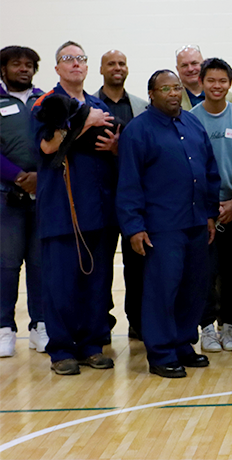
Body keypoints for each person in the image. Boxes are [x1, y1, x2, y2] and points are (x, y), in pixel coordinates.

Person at [117, 69, 220, 378]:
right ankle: (161, 352)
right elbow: (129, 182)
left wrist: (210, 213)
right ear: (152, 94)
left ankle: (183, 344)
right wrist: (134, 226)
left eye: (177, 88)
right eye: (166, 89)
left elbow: (210, 170)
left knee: (193, 288)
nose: (174, 93)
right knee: (163, 290)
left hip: (196, 222)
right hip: (161, 227)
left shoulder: (192, 122)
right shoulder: (138, 131)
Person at [32, 41, 118, 376]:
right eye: (68, 59)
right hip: (61, 212)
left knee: (96, 284)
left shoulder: (98, 104)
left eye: (81, 59)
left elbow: (112, 147)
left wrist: (114, 146)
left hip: (97, 210)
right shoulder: (46, 104)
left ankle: (91, 346)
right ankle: (62, 350)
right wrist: (85, 120)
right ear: (57, 68)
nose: (76, 64)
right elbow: (48, 146)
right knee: (61, 286)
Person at [191, 59, 232, 354]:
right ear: (201, 83)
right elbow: (190, 168)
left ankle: (229, 323)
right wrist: (210, 208)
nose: (217, 86)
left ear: (230, 83)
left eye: (222, 81)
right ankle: (206, 328)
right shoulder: (189, 118)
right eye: (211, 80)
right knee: (206, 269)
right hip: (203, 209)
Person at [93, 49, 148, 341]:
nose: (117, 67)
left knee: (137, 265)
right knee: (100, 268)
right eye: (111, 63)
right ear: (101, 69)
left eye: (122, 63)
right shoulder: (88, 105)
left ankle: (138, 322)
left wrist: (121, 150)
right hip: (99, 199)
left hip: (135, 201)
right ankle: (101, 324)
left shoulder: (141, 106)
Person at [0, 46, 45, 357]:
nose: (23, 69)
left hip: (44, 195)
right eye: (16, 64)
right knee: (6, 264)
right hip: (7, 197)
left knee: (41, 264)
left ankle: (40, 327)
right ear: (3, 69)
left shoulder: (46, 99)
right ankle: (4, 328)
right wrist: (17, 176)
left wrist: (40, 177)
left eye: (28, 65)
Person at [175, 44, 232, 109]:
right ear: (177, 69)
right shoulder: (173, 98)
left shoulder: (228, 98)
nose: (190, 69)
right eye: (184, 65)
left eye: (194, 63)